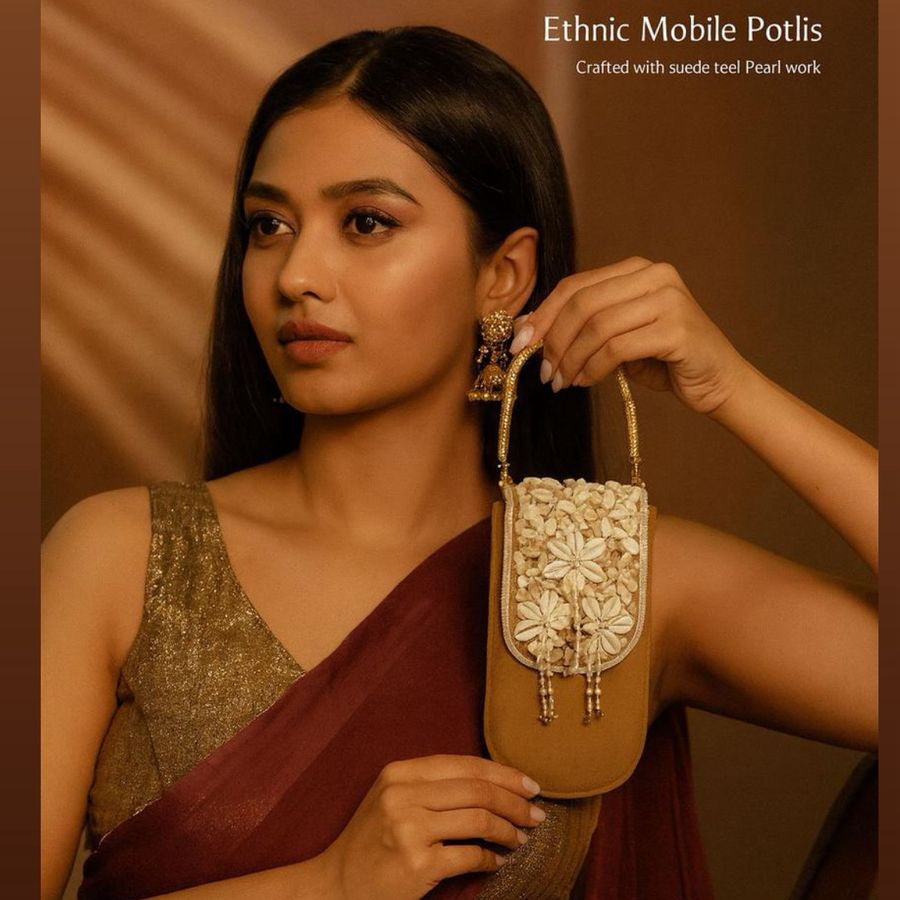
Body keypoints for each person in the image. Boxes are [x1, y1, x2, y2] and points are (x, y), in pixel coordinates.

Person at [41, 25, 877, 900]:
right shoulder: (120, 558)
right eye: (268, 225)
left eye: (365, 222)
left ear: (505, 276)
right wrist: (328, 886)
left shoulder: (600, 582)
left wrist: (733, 389)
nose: (296, 273)